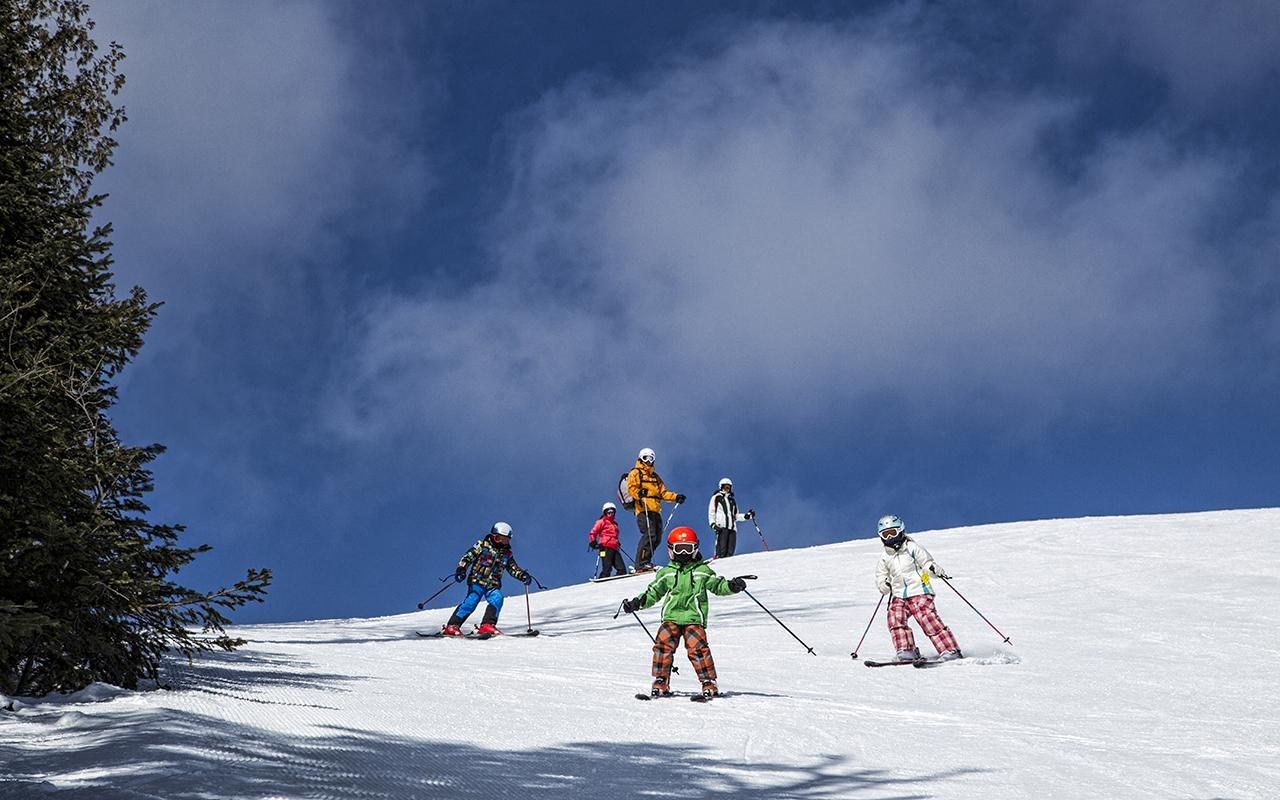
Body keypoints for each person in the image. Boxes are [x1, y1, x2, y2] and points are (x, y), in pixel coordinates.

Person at [621, 527, 746, 700]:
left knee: (698, 649)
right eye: (680, 549)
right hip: (671, 617)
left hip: (693, 618)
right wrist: (637, 603)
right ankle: (661, 680)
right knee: (663, 645)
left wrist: (732, 586)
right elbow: (653, 593)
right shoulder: (667, 573)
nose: (684, 553)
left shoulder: (702, 571)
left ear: (695, 549)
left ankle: (708, 682)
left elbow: (718, 585)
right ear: (671, 550)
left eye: (688, 548)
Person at [874, 515, 962, 662]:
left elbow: (926, 563)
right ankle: (906, 650)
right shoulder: (885, 557)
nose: (890, 537)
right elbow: (881, 575)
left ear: (901, 531)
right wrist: (884, 584)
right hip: (898, 594)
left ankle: (949, 649)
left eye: (893, 533)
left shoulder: (912, 548)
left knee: (926, 618)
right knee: (894, 617)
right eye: (885, 534)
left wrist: (933, 569)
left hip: (920, 590)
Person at [441, 522, 532, 637]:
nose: (503, 542)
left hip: (493, 584)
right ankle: (452, 626)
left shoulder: (507, 554)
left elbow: (513, 568)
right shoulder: (482, 546)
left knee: (497, 598)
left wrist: (522, 575)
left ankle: (487, 625)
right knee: (472, 600)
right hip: (477, 581)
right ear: (494, 537)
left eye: (506, 539)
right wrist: (462, 568)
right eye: (500, 539)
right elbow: (468, 556)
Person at [625, 447, 685, 571]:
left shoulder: (655, 477)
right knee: (650, 534)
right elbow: (631, 488)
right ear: (641, 458)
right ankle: (640, 563)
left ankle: (646, 561)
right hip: (643, 508)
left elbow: (663, 493)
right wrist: (639, 492)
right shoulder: (636, 473)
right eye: (646, 458)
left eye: (651, 458)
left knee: (657, 537)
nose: (649, 461)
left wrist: (676, 497)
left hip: (655, 510)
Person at [707, 477, 754, 559]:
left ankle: (729, 566)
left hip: (732, 528)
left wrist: (747, 516)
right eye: (726, 487)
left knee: (730, 551)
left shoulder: (732, 500)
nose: (727, 489)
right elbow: (711, 512)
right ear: (721, 487)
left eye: (729, 487)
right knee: (722, 549)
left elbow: (736, 515)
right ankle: (718, 560)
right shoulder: (716, 498)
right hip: (722, 527)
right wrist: (713, 524)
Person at [589, 502, 626, 578]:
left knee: (622, 569)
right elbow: (593, 532)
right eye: (608, 512)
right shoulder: (601, 522)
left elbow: (614, 536)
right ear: (605, 512)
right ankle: (603, 579)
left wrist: (617, 543)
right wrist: (593, 542)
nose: (610, 513)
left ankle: (620, 581)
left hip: (615, 548)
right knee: (607, 567)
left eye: (612, 511)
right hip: (604, 547)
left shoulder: (615, 524)